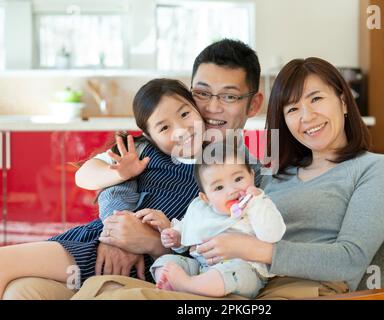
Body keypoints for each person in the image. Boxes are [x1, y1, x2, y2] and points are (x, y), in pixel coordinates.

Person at [70, 57, 384, 300]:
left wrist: (254, 249)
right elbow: (214, 221)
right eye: (292, 109)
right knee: (99, 291)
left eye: (316, 99)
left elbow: (350, 260)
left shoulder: (372, 168)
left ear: (343, 101)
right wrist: (144, 235)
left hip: (298, 290)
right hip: (232, 282)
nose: (307, 117)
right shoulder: (270, 172)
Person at [3, 39, 265, 299]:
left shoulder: (247, 177)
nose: (211, 107)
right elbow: (87, 174)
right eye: (202, 93)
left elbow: (219, 254)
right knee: (16, 285)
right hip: (96, 242)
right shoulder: (147, 150)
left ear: (252, 105)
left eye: (229, 96)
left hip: (155, 269)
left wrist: (148, 241)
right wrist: (119, 189)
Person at [0, 78, 207, 298]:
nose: (181, 130)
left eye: (185, 114)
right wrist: (119, 172)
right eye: (164, 127)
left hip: (152, 264)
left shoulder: (222, 165)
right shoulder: (139, 152)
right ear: (149, 136)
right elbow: (84, 176)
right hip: (97, 244)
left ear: (197, 109)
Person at [148, 143, 285, 298]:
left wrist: (257, 203)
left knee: (233, 272)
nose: (232, 190)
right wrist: (177, 237)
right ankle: (170, 283)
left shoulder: (258, 205)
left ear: (252, 176)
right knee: (165, 262)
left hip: (247, 268)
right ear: (205, 198)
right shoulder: (202, 210)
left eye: (238, 179)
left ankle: (187, 285)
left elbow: (273, 235)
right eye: (219, 188)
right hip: (202, 266)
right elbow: (188, 230)